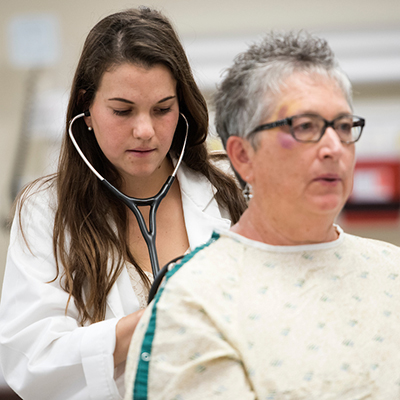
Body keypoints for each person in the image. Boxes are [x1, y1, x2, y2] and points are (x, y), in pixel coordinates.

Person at [124, 31, 400, 399]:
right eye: (305, 127)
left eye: (344, 126)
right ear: (242, 156)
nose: (334, 147)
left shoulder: (390, 270)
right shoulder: (195, 299)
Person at [0, 7, 246, 400]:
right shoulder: (44, 211)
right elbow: (32, 361)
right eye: (123, 110)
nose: (145, 131)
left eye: (163, 109)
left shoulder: (232, 187)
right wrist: (153, 324)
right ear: (88, 108)